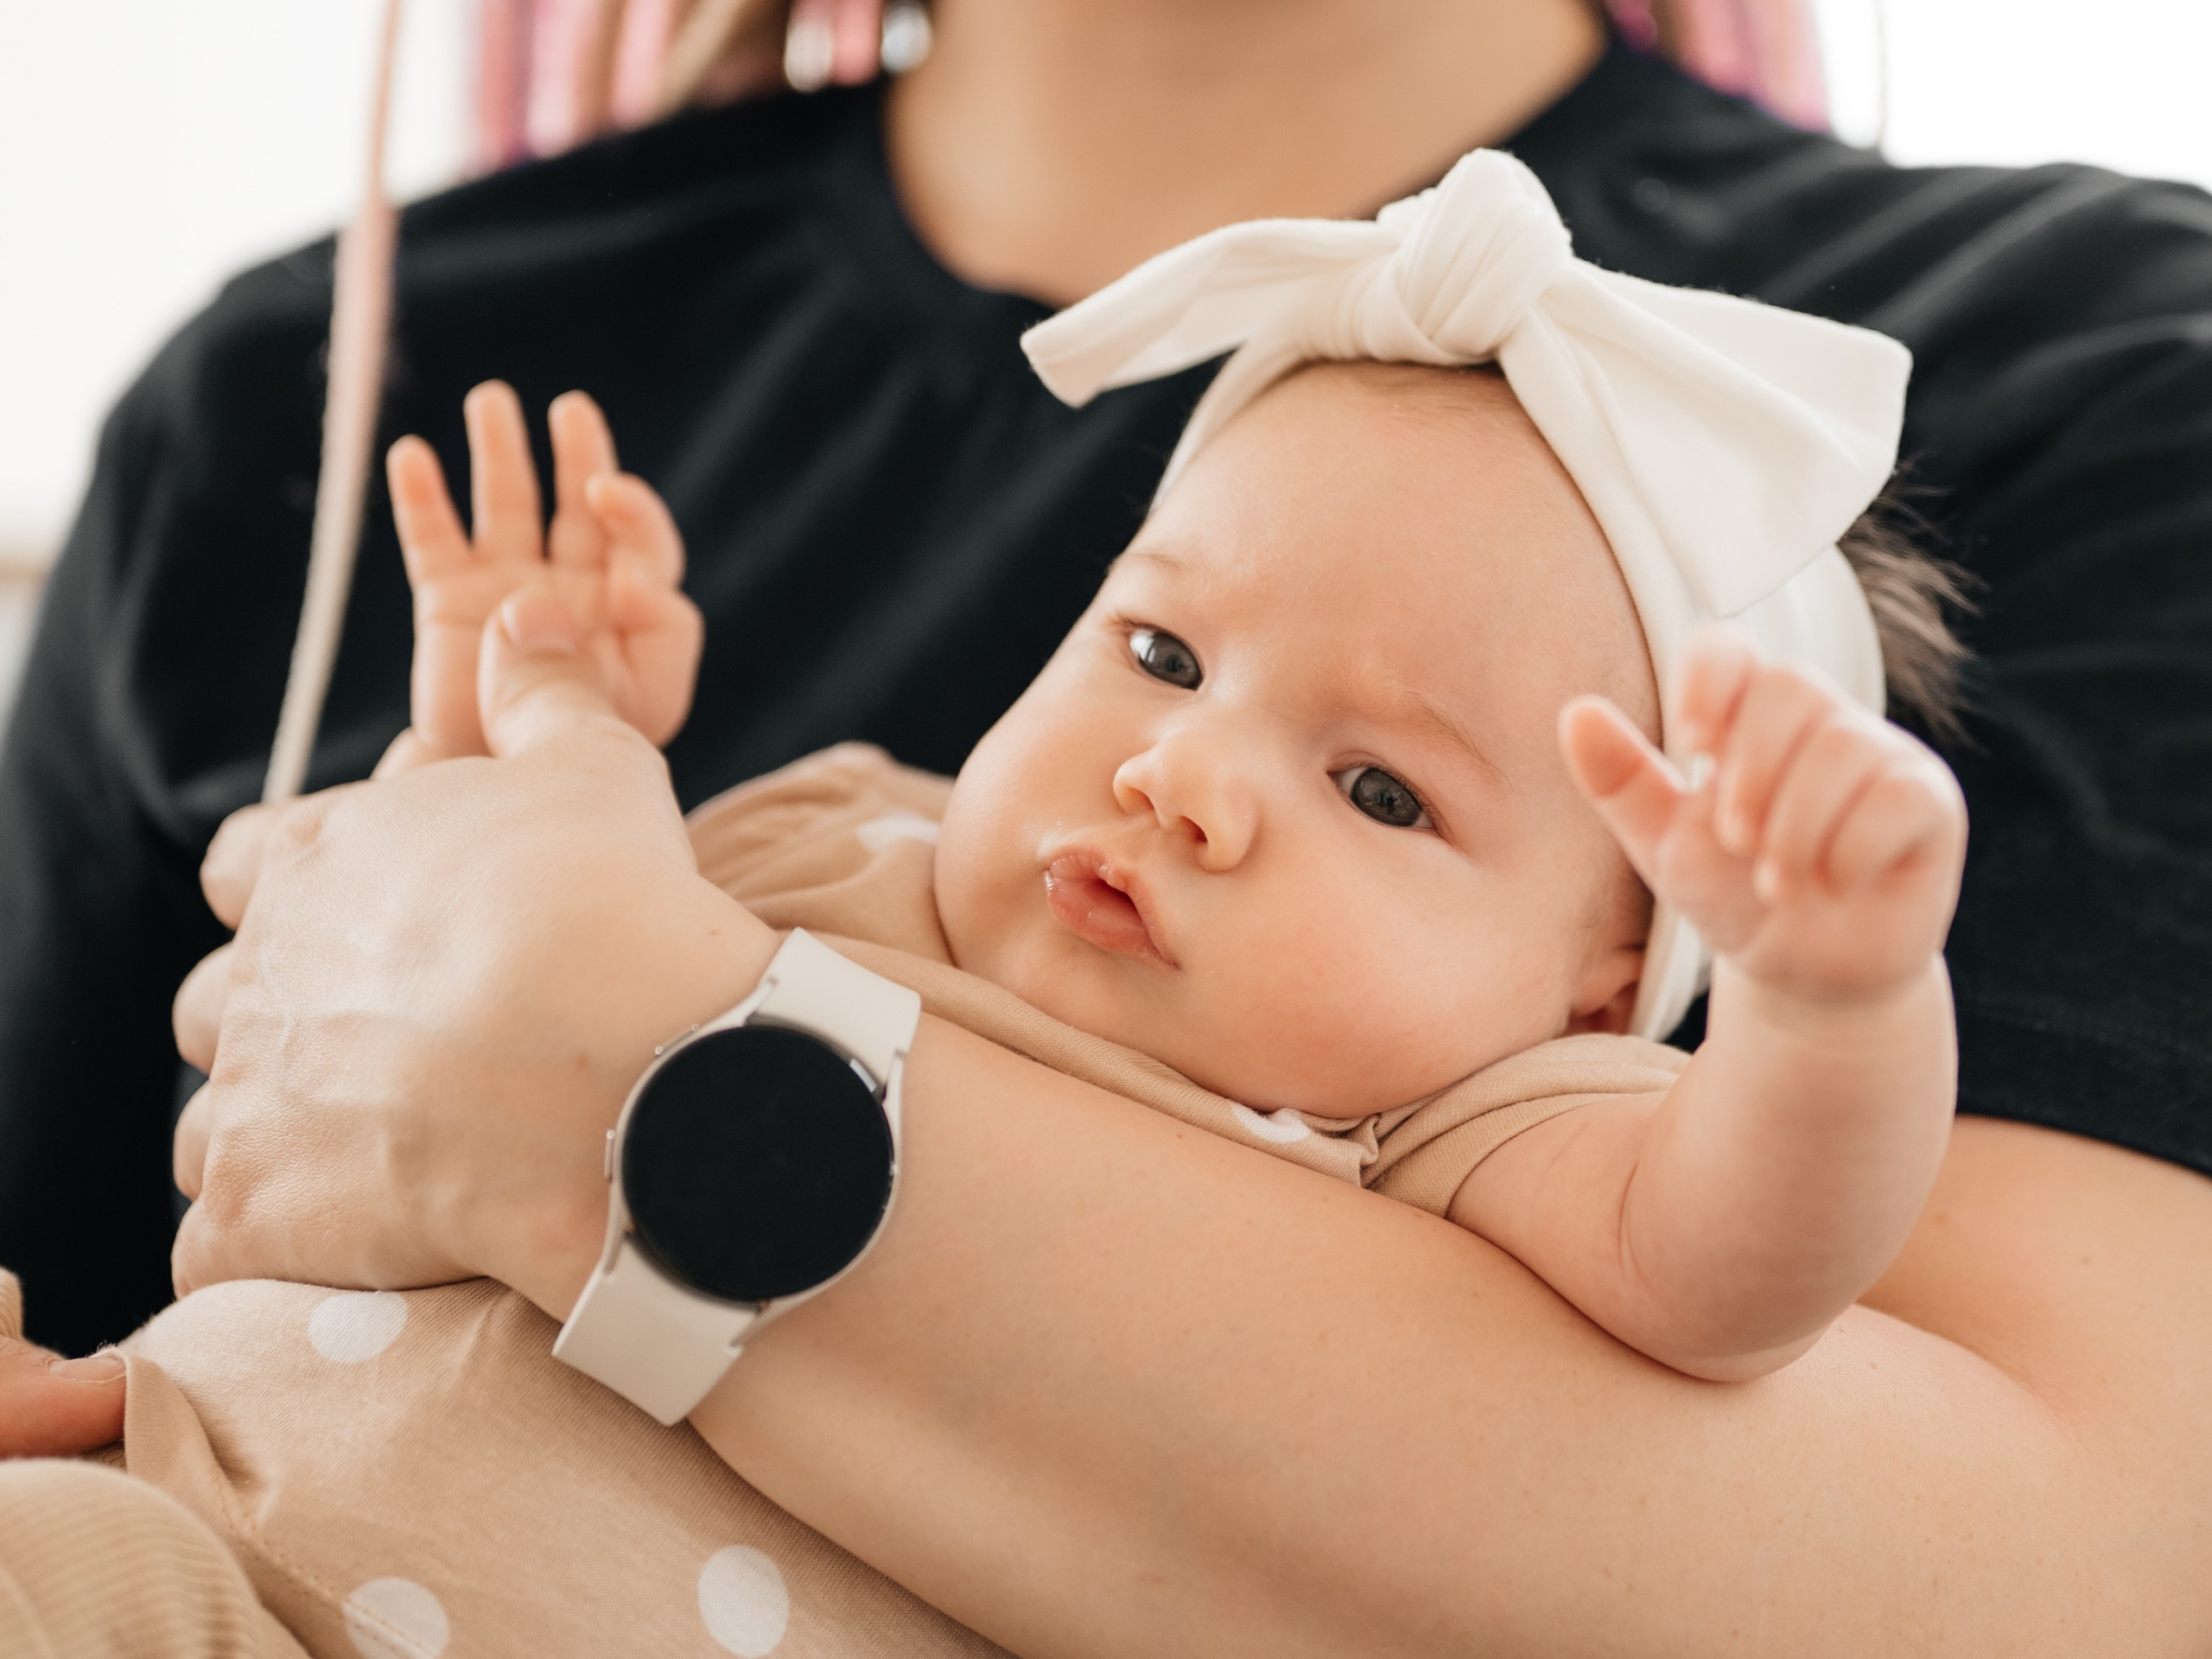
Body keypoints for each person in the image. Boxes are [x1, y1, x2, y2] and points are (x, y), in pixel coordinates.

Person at [3, 0, 2210, 1648]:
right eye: (1154, 658)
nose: (1184, 776)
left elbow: (1761, 1279)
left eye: (1379, 791)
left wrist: (1831, 1000)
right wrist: (552, 715)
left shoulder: (1472, 1129)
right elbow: (421, 963)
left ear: (1607, 981)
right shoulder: (823, 817)